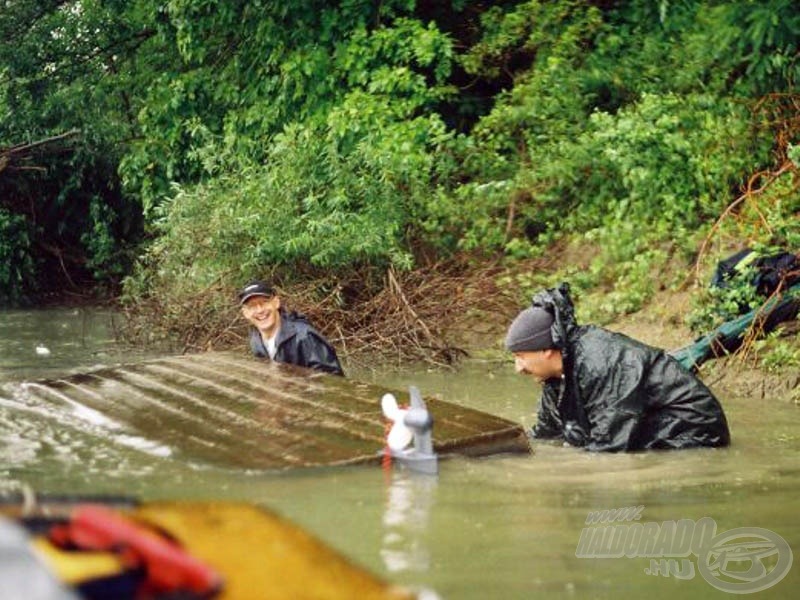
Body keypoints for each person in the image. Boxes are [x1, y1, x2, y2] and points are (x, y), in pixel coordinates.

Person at [505, 283, 730, 452]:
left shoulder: (601, 362)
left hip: (696, 432)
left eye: (521, 356)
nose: (518, 367)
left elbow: (610, 447)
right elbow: (547, 433)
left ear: (546, 350)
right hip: (655, 425)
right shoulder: (556, 374)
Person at [239, 280, 344, 376]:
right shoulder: (255, 340)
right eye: (252, 306)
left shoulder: (305, 337)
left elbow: (333, 381)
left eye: (264, 302)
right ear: (245, 313)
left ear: (276, 302)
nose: (260, 310)